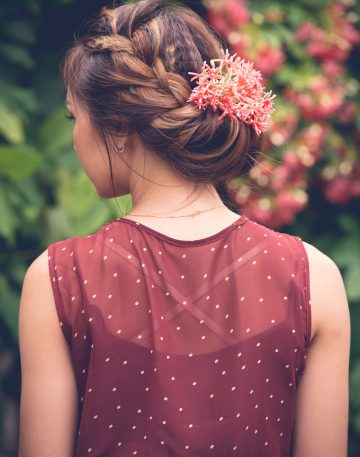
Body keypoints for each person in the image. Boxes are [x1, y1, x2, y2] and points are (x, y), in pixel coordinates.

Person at [17, 0, 350, 456]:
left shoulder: (57, 278)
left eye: (76, 118)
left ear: (116, 126)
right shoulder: (316, 279)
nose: (75, 137)